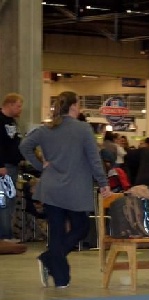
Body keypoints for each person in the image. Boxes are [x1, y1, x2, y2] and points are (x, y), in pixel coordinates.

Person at [19, 91, 112, 288]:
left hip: (51, 188)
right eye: (79, 104)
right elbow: (94, 159)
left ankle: (60, 278)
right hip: (75, 189)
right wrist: (103, 183)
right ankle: (49, 259)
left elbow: (24, 146)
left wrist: (39, 164)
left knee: (57, 232)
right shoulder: (83, 129)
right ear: (74, 106)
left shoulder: (45, 129)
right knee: (81, 228)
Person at [0, 93, 23, 243]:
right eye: (18, 106)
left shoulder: (13, 122)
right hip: (4, 166)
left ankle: (6, 234)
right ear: (9, 104)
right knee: (5, 200)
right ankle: (4, 235)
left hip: (13, 165)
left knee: (10, 199)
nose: (20, 109)